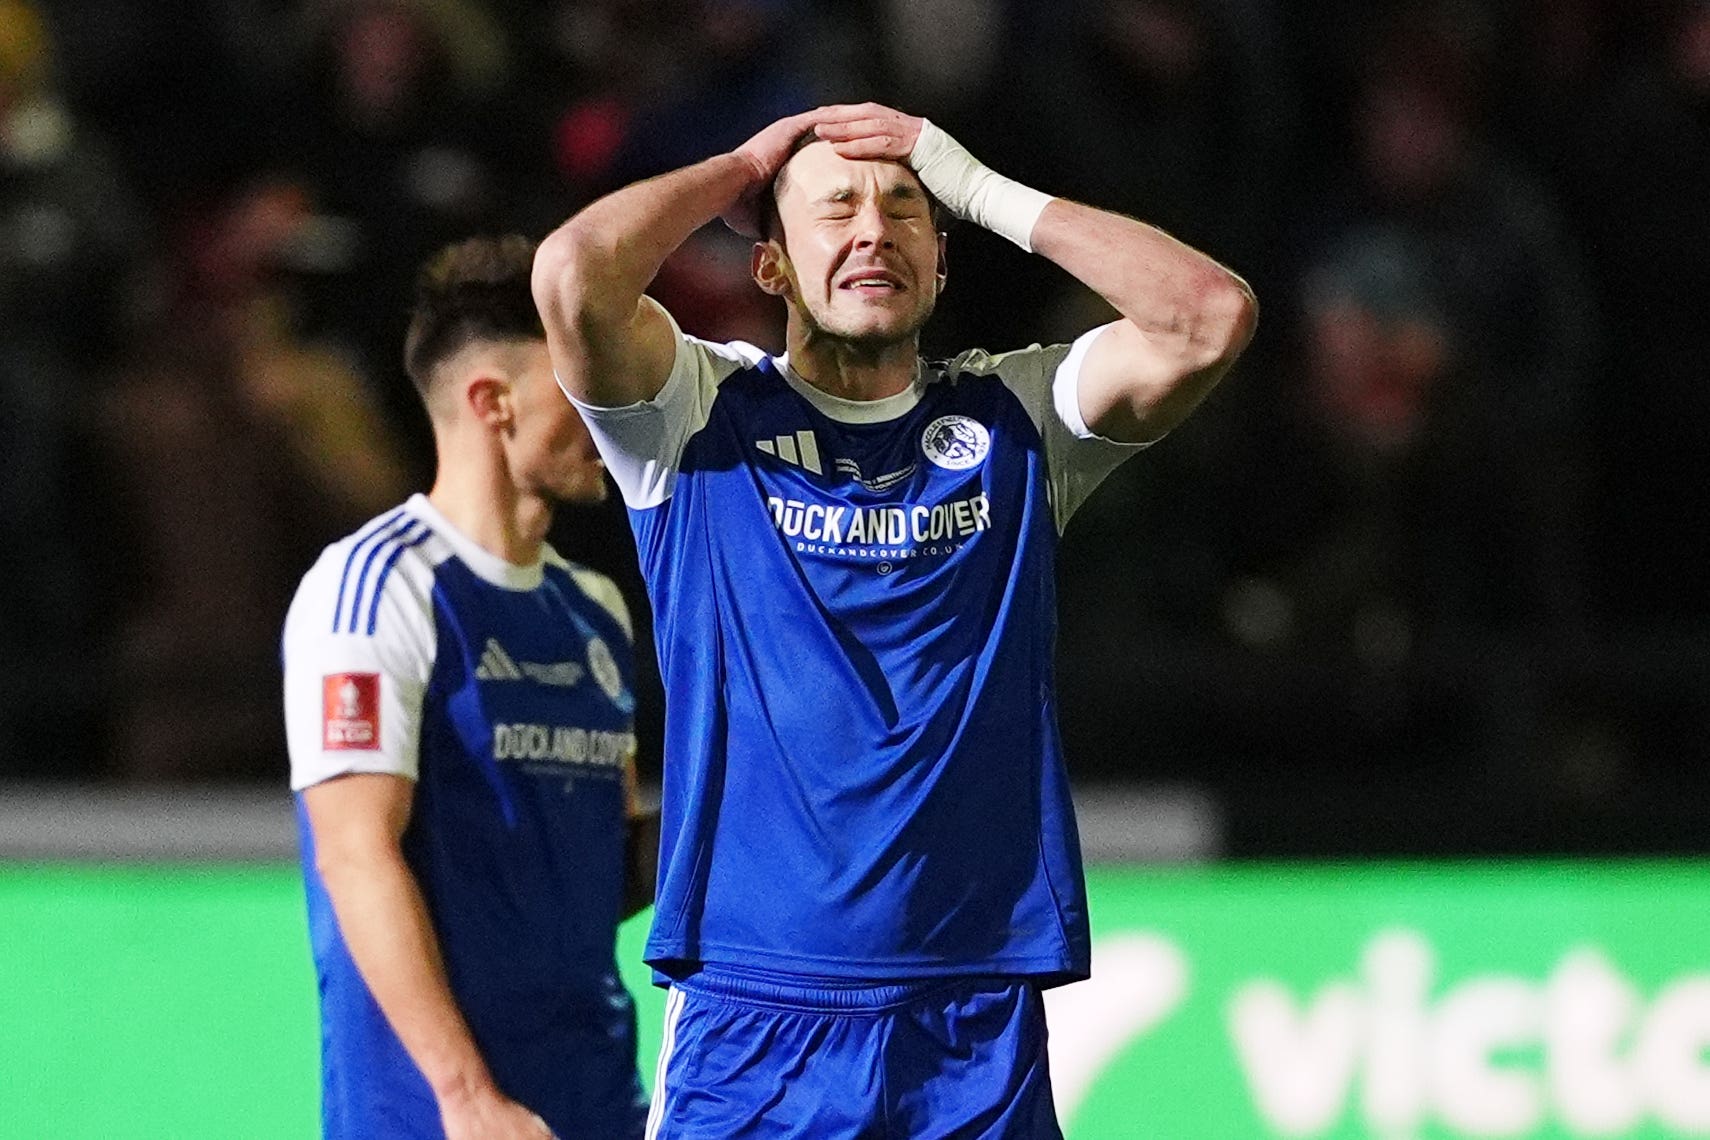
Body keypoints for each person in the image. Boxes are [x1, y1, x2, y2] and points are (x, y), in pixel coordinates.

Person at [531, 102, 1256, 1137]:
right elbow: (573, 275)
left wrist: (983, 188)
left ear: (941, 259)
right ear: (771, 266)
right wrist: (742, 167)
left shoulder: (1020, 420)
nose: (874, 231)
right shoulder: (691, 416)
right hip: (755, 1008)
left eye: (906, 210)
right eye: (835, 211)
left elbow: (1208, 315)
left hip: (973, 1017)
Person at [282, 235, 657, 1139]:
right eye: (582, 383)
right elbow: (354, 854)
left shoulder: (594, 608)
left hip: (595, 1101)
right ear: (493, 402)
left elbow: (598, 869)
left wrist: (760, 800)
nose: (614, 407)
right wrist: (465, 1095)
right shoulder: (374, 587)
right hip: (436, 1115)